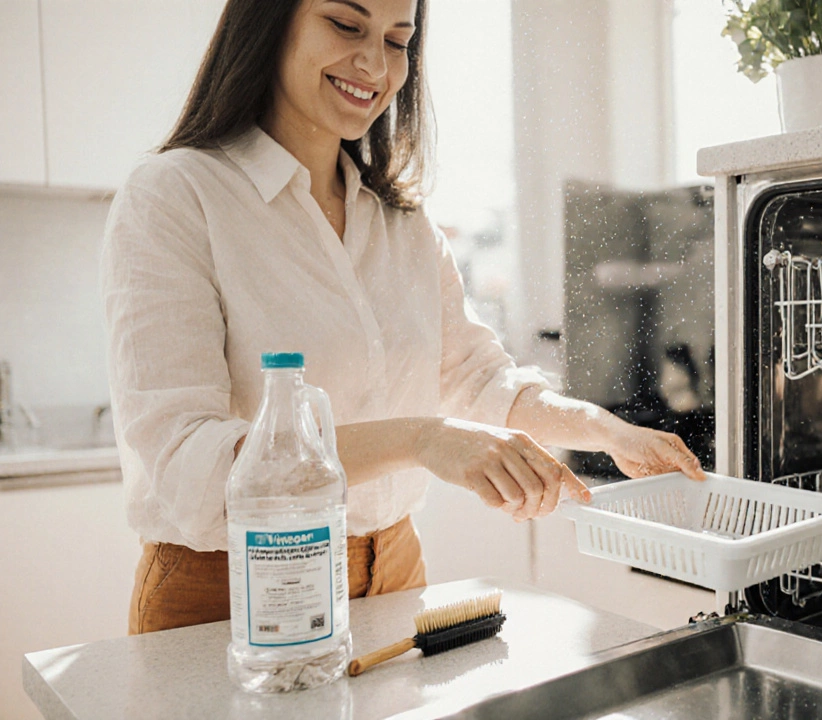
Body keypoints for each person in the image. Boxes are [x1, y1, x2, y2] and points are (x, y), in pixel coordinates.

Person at [101, 0, 705, 636]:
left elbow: (476, 376)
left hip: (391, 569)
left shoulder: (403, 223)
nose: (375, 63)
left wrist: (606, 431)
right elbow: (189, 472)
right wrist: (424, 438)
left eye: (397, 39)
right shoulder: (175, 196)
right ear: (270, 21)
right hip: (229, 588)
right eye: (345, 24)